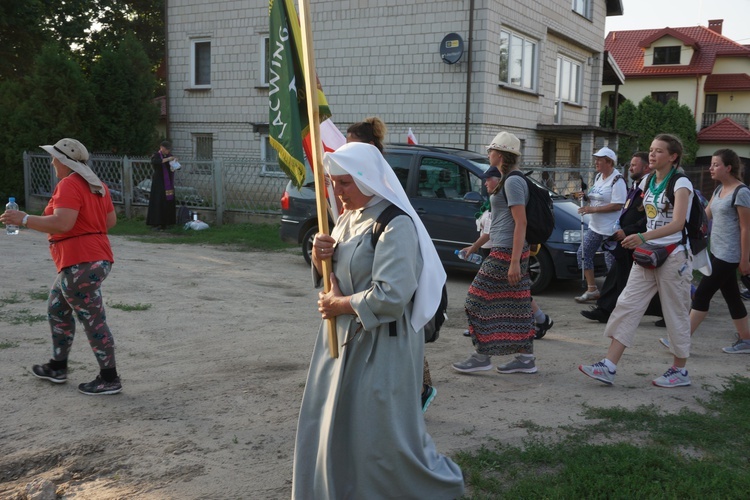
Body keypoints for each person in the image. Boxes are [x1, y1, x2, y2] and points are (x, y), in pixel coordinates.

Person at [291, 142, 464, 499]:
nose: (336, 192)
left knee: (381, 434)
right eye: (332, 182)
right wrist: (319, 255)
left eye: (344, 183)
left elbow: (391, 296)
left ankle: (429, 489)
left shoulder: (395, 223)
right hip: (341, 341)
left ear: (366, 179)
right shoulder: (346, 218)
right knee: (338, 424)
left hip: (383, 345)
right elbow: (333, 275)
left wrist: (340, 305)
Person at [0, 138, 121, 395]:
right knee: (57, 308)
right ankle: (57, 366)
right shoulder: (97, 185)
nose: (52, 161)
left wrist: (23, 219)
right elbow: (109, 221)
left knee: (94, 320)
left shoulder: (68, 184)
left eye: (54, 157)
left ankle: (109, 378)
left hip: (80, 262)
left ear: (64, 162)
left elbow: (62, 223)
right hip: (95, 259)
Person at [579, 133, 694, 388]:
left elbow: (678, 224)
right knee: (627, 305)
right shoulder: (648, 180)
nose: (652, 154)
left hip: (673, 256)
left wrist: (640, 236)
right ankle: (608, 365)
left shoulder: (680, 183)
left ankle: (680, 370)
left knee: (676, 313)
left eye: (659, 151)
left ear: (673, 156)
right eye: (651, 150)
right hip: (648, 255)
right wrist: (628, 231)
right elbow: (635, 209)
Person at [345, 116, 436, 411]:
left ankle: (417, 390)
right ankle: (415, 389)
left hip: (386, 300)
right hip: (368, 293)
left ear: (369, 149)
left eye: (352, 146)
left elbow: (393, 291)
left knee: (400, 341)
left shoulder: (380, 184)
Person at [452, 132, 538, 375]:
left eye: (490, 151)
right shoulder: (507, 179)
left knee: (475, 299)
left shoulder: (512, 181)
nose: (488, 154)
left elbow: (520, 223)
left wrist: (513, 262)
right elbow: (501, 222)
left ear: (499, 154)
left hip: (507, 252)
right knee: (518, 305)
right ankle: (526, 358)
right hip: (508, 249)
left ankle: (482, 355)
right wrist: (476, 246)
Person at [659, 149, 750, 353]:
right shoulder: (719, 190)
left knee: (701, 295)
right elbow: (704, 216)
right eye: (711, 164)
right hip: (717, 252)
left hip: (730, 255)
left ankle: (680, 340)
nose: (711, 168)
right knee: (732, 296)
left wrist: (745, 259)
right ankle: (747, 340)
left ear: (728, 168)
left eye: (715, 164)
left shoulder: (741, 192)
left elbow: (746, 228)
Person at [580, 152, 662, 323]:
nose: (630, 168)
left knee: (638, 279)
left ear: (646, 167)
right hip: (626, 237)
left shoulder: (649, 187)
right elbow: (628, 209)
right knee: (620, 274)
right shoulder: (636, 185)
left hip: (638, 238)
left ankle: (668, 312)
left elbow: (650, 217)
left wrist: (629, 230)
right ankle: (605, 309)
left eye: (634, 165)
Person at [573, 147, 627, 302]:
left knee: (611, 263)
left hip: (610, 229)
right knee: (583, 254)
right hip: (595, 227)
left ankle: (615, 295)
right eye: (595, 159)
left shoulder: (618, 180)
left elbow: (618, 205)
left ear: (609, 162)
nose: (596, 162)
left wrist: (592, 209)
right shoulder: (598, 177)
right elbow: (597, 197)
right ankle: (592, 289)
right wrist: (586, 197)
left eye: (599, 159)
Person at [146, 140, 178, 230]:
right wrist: (167, 159)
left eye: (169, 150)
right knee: (158, 201)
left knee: (168, 201)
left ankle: (168, 222)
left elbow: (177, 167)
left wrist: (175, 163)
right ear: (162, 148)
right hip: (159, 182)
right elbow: (156, 162)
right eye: (167, 149)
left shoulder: (169, 156)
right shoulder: (156, 155)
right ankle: (157, 222)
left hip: (168, 183)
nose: (168, 151)